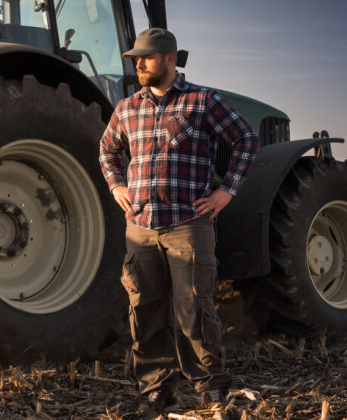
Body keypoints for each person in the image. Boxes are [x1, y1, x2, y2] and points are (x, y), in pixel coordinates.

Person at [99, 27, 259, 418]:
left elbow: (246, 140)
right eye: (136, 58)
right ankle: (158, 388)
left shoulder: (201, 101)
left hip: (188, 223)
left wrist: (226, 192)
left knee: (195, 308)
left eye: (147, 57)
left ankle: (210, 386)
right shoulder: (126, 108)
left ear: (170, 59)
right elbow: (107, 150)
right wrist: (117, 185)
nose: (139, 63)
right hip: (140, 226)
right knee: (146, 308)